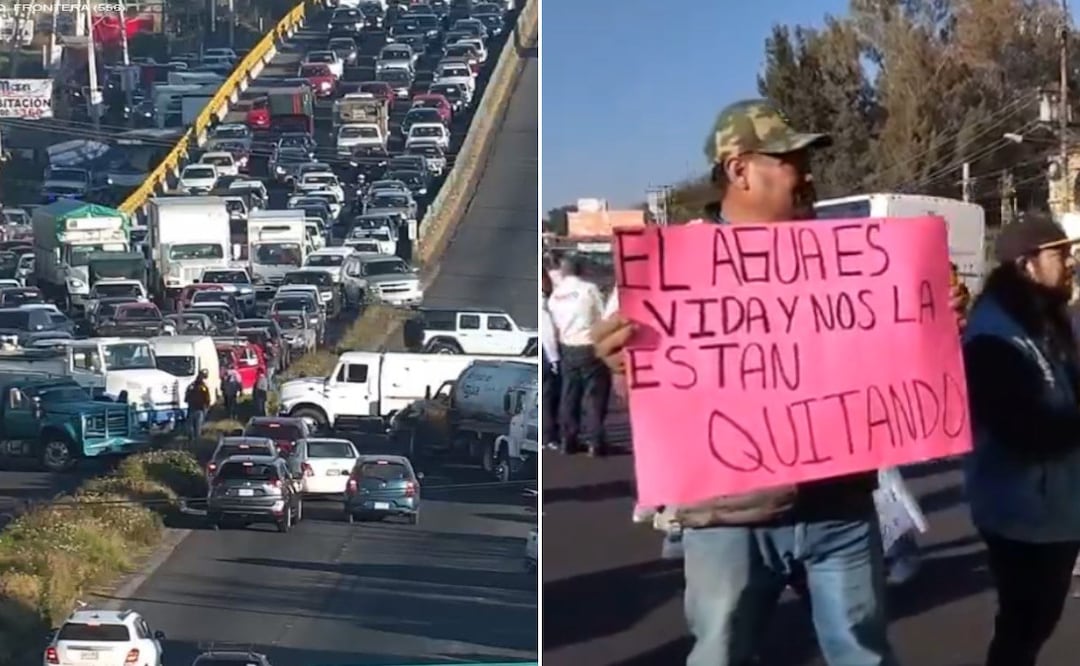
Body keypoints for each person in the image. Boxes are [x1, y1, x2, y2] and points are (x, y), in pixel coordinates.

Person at [592, 99, 971, 666]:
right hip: (727, 520)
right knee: (722, 654)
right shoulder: (671, 269)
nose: (808, 173)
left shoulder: (852, 261)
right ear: (741, 168)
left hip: (839, 505)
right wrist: (623, 363)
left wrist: (938, 317)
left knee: (862, 654)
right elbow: (658, 405)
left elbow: (882, 358)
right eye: (791, 158)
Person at [962, 215, 1080, 666]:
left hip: (1052, 507)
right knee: (1025, 623)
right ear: (1027, 264)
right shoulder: (995, 336)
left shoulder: (1044, 319)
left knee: (1033, 622)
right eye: (1059, 255)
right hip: (1020, 512)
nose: (1069, 264)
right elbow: (1025, 431)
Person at [547, 253, 610, 456]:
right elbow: (602, 317)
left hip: (567, 347)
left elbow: (554, 324)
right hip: (589, 346)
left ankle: (568, 440)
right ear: (581, 270)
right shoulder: (588, 289)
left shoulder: (555, 296)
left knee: (569, 395)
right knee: (594, 395)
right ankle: (594, 441)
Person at [540, 269, 561, 451]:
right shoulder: (544, 305)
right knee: (549, 397)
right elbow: (548, 336)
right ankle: (549, 437)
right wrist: (554, 360)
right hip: (546, 354)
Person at [184, 369, 212, 446]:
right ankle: (195, 442)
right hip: (198, 409)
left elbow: (186, 398)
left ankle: (194, 442)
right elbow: (207, 399)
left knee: (193, 427)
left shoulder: (192, 386)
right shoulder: (202, 387)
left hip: (195, 408)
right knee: (196, 428)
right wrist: (207, 406)